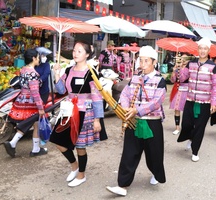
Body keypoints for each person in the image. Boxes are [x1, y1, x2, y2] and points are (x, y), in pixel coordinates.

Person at [106, 45, 166, 196]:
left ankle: (156, 173)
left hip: (152, 122)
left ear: (154, 62)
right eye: (141, 60)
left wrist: (137, 110)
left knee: (154, 153)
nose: (143, 64)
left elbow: (156, 103)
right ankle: (122, 185)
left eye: (146, 61)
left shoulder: (160, 81)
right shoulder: (134, 78)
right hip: (134, 120)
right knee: (129, 153)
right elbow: (125, 94)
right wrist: (126, 108)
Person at [50, 41, 104, 187]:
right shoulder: (68, 70)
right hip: (68, 111)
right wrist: (56, 73)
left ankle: (81, 174)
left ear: (87, 54)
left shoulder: (91, 73)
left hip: (84, 113)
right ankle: (74, 166)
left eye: (79, 51)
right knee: (57, 140)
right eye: (74, 50)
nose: (75, 53)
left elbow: (97, 97)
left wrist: (97, 119)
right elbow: (61, 90)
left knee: (80, 146)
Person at [177, 37, 216, 162]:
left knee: (200, 127)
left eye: (205, 49)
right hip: (190, 100)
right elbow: (181, 78)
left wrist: (214, 103)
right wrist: (179, 68)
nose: (202, 51)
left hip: (205, 103)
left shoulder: (214, 67)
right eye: (200, 48)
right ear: (197, 49)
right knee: (186, 124)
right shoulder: (191, 63)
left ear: (208, 50)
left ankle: (195, 151)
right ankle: (190, 138)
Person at [4, 49, 46, 158]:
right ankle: (33, 149)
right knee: (35, 124)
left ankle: (14, 144)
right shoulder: (32, 73)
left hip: (22, 100)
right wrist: (40, 107)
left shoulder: (23, 70)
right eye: (38, 57)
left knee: (30, 123)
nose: (39, 59)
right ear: (33, 58)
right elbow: (35, 92)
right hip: (30, 102)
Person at [169, 53, 190, 135]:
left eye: (185, 59)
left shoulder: (189, 69)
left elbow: (182, 78)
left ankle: (186, 127)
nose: (184, 60)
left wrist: (181, 69)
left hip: (187, 89)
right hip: (179, 89)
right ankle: (177, 127)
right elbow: (172, 80)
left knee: (187, 109)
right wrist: (174, 71)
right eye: (182, 59)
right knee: (177, 108)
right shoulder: (178, 68)